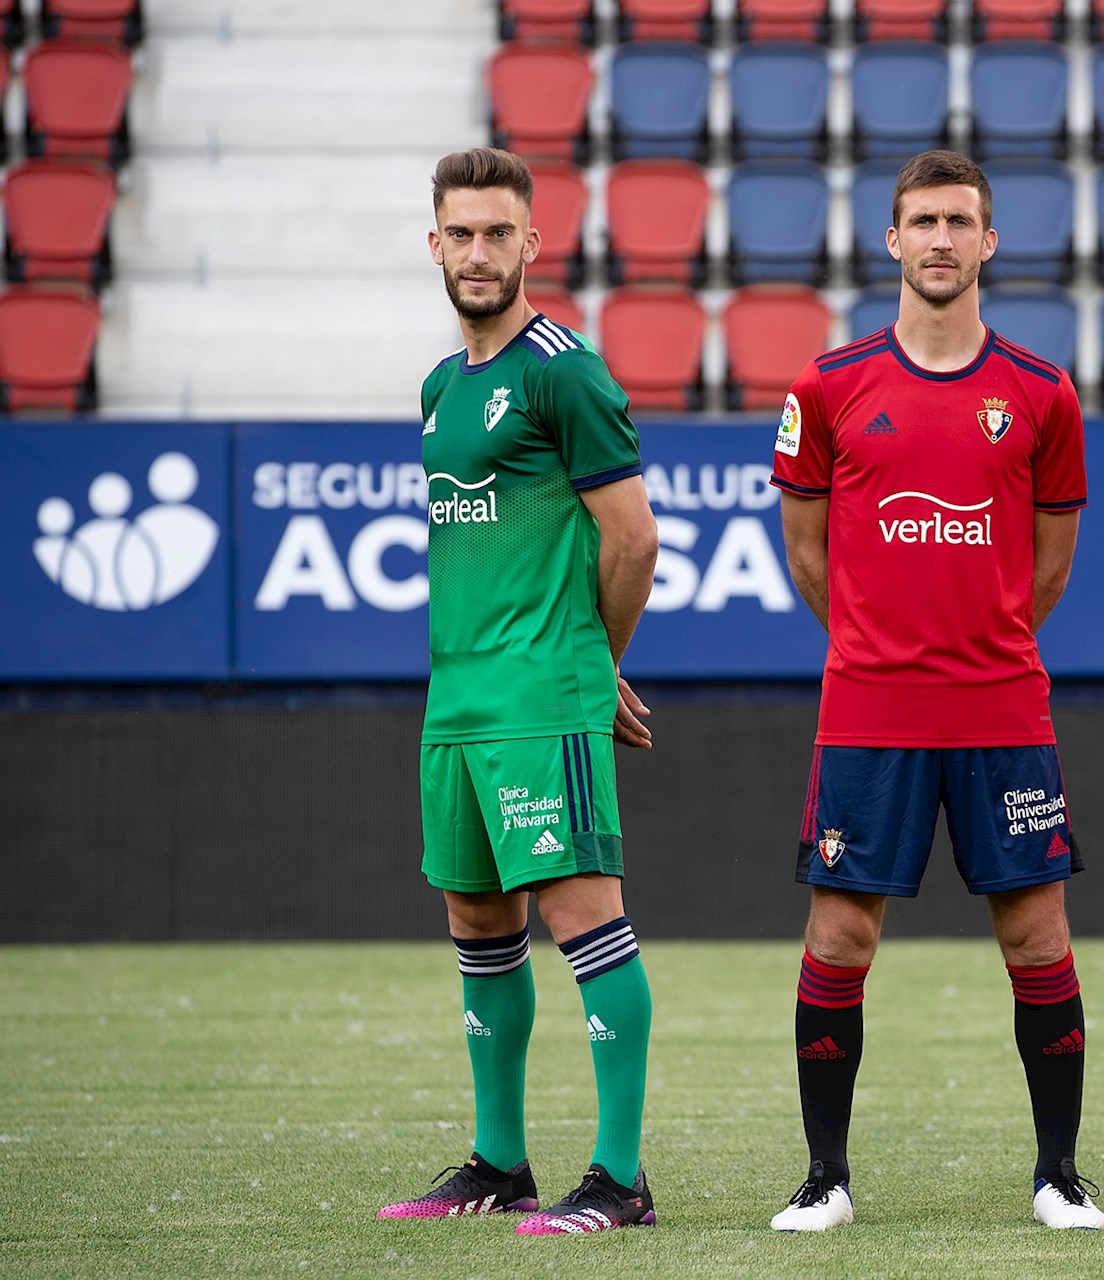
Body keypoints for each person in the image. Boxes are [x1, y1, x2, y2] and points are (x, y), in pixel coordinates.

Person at [766, 149, 1104, 1232]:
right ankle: (826, 1176)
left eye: (962, 221)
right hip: (869, 710)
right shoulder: (828, 385)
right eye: (924, 220)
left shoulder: (1044, 395)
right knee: (838, 942)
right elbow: (808, 556)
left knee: (1038, 939)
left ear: (989, 241)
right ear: (894, 240)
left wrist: (981, 640)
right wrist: (881, 642)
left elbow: (1048, 570)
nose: (943, 239)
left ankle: (1059, 1172)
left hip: (1004, 707)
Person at [377, 147, 663, 1235]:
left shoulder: (564, 371)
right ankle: (500, 1161)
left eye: (501, 232)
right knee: (476, 922)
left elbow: (631, 536)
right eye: (462, 233)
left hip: (546, 695)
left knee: (586, 917)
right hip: (456, 705)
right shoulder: (441, 388)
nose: (480, 252)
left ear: (533, 244)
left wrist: (596, 665)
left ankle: (621, 1178)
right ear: (436, 243)